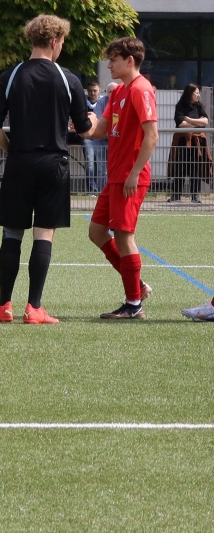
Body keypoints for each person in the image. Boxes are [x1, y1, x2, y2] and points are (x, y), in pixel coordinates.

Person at [0, 15, 94, 324]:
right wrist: (96, 121)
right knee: (44, 232)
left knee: (11, 232)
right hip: (54, 164)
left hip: (20, 162)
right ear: (55, 41)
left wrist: (12, 150)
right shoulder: (68, 79)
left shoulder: (11, 76)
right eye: (62, 42)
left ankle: (4, 306)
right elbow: (84, 128)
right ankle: (34, 308)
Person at [85, 36, 159, 320]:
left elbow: (152, 136)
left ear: (130, 60)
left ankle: (133, 304)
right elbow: (99, 130)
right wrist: (79, 123)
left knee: (125, 236)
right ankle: (136, 286)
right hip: (115, 176)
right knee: (96, 232)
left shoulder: (141, 89)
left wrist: (135, 173)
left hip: (129, 177)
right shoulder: (118, 92)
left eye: (113, 59)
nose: (109, 65)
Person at [165, 82, 209, 202]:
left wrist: (190, 120)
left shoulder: (199, 106)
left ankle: (195, 195)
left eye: (199, 93)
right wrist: (197, 123)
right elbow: (181, 123)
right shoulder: (180, 106)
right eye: (196, 93)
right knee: (180, 167)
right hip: (182, 141)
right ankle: (176, 195)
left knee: (196, 168)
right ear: (190, 93)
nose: (198, 95)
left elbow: (205, 121)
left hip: (197, 142)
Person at [82, 76, 109, 194]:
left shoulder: (104, 102)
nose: (92, 93)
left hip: (102, 137)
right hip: (89, 137)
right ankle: (91, 189)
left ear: (99, 90)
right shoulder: (83, 103)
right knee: (90, 163)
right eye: (90, 91)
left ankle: (103, 189)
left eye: (95, 90)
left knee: (102, 165)